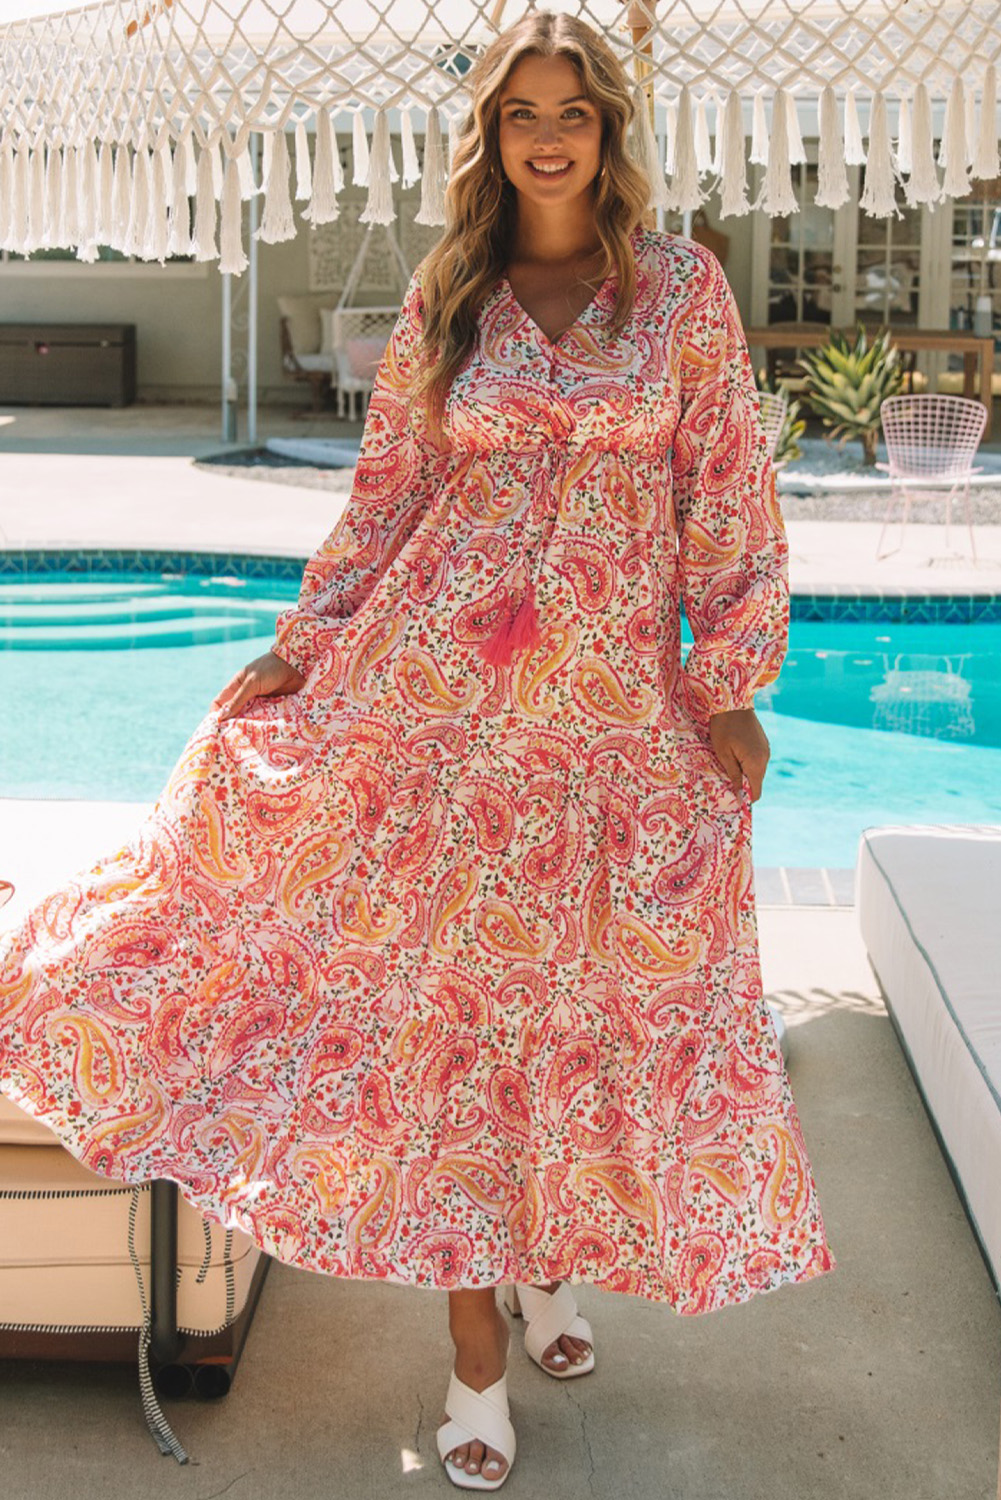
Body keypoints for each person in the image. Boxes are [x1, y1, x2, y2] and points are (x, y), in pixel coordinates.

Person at [0, 10, 835, 1492]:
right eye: (522, 113)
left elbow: (727, 489)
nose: (548, 136)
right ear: (492, 138)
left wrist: (730, 686)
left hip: (613, 719)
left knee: (584, 1002)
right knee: (456, 1019)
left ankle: (547, 1268)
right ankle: (473, 1350)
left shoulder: (682, 290)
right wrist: (307, 640)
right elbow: (387, 494)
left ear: (608, 129)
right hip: (439, 706)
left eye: (572, 110)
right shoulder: (452, 288)